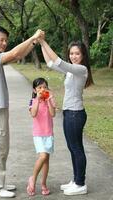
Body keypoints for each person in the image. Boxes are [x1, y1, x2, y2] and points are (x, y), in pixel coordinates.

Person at [0, 26, 44, 198]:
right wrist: (33, 36)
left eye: (6, 40)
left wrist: (34, 42)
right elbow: (15, 54)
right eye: (1, 39)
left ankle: (0, 181)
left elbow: (19, 55)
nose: (4, 43)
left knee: (3, 148)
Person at [39, 39, 93, 196]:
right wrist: (42, 44)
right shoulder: (71, 70)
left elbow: (58, 60)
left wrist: (43, 40)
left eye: (77, 53)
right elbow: (50, 63)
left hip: (76, 114)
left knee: (77, 148)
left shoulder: (81, 69)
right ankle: (76, 180)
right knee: (72, 148)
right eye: (71, 53)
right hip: (69, 113)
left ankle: (81, 183)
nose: (74, 56)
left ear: (83, 55)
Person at [27, 77, 56, 196]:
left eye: (44, 87)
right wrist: (38, 100)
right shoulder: (32, 101)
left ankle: (43, 184)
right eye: (39, 87)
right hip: (38, 134)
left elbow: (53, 114)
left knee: (46, 160)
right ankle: (32, 179)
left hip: (48, 133)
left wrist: (48, 100)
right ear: (35, 90)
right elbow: (33, 114)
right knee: (43, 156)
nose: (42, 89)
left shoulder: (50, 99)